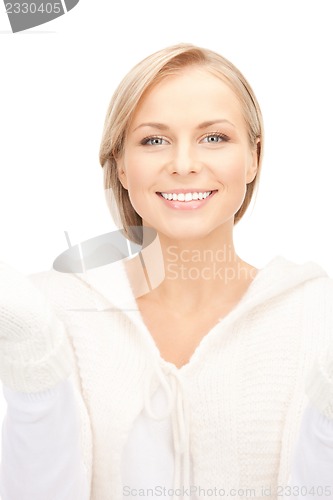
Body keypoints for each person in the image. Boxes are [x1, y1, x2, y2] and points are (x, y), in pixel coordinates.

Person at [0, 42, 332, 500]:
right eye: (154, 140)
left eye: (214, 137)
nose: (183, 165)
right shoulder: (46, 313)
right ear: (120, 163)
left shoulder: (317, 313)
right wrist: (35, 368)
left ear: (254, 157)